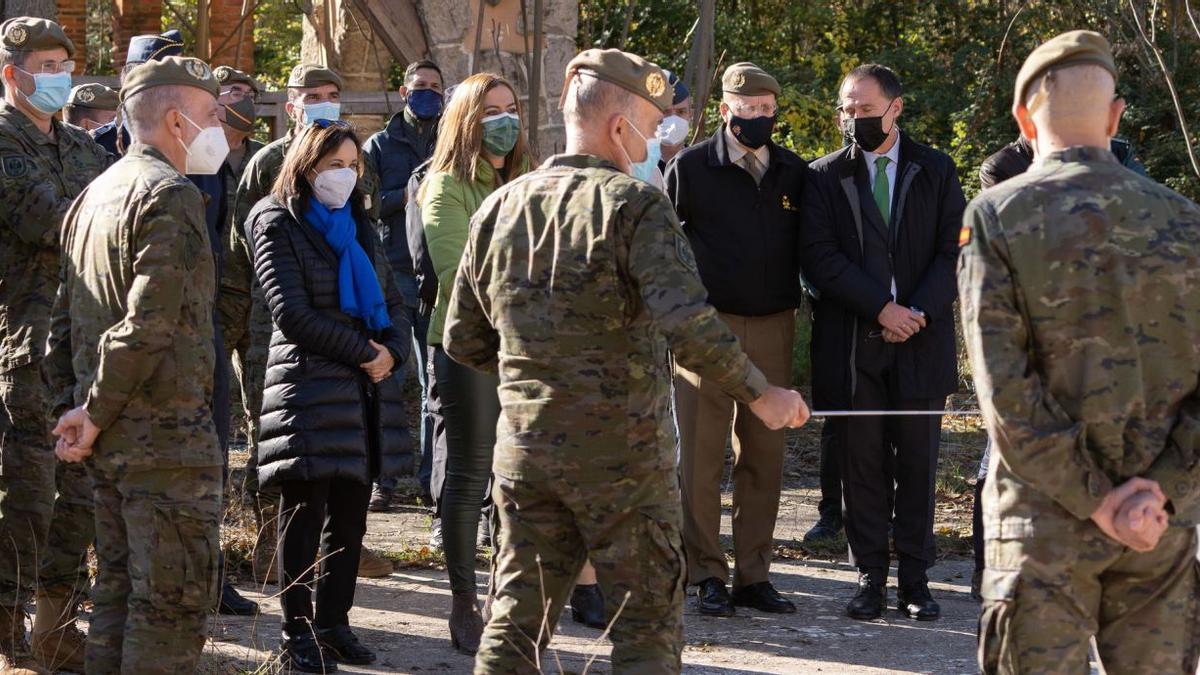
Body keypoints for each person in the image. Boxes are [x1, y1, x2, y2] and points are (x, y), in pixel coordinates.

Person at [444, 47, 810, 673]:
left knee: (514, 627)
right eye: (654, 122)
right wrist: (762, 393)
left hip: (528, 456)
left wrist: (544, 374)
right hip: (624, 464)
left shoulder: (498, 207)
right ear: (620, 126)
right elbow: (690, 325)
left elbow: (465, 341)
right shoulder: (636, 206)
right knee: (644, 631)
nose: (658, 139)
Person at [962, 30, 1200, 673]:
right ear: (1117, 116)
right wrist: (1162, 494)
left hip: (1043, 526)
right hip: (1158, 528)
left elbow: (1005, 393)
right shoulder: (1187, 223)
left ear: (1022, 120)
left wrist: (1095, 501)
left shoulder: (997, 216)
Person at [46, 55, 226, 675]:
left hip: (113, 439)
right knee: (170, 606)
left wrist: (75, 413)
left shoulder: (96, 192)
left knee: (118, 595)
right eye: (210, 114)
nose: (220, 127)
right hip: (164, 442)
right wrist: (90, 413)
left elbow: (62, 323)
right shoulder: (169, 194)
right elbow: (146, 325)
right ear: (177, 121)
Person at [800, 63, 964, 622]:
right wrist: (880, 308)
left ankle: (915, 581)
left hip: (922, 339)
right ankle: (869, 576)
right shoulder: (823, 176)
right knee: (861, 464)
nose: (853, 119)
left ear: (896, 107)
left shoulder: (937, 170)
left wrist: (914, 311)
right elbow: (820, 257)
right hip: (852, 343)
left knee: (917, 464)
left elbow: (953, 252)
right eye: (846, 109)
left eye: (865, 110)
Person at [219, 63, 395, 581]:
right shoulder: (270, 163)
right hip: (279, 320)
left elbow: (368, 237)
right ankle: (275, 547)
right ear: (292, 104)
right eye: (312, 94)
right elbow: (241, 247)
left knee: (349, 437)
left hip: (352, 318)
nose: (324, 101)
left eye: (332, 93)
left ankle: (343, 546)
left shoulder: (356, 160)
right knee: (279, 438)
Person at [249, 120, 411, 673]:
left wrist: (393, 350)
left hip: (364, 391)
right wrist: (366, 354)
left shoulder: (359, 221)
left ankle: (334, 624)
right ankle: (296, 633)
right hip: (307, 387)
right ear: (305, 165)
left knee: (350, 517)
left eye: (351, 166)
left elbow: (392, 298)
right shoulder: (275, 220)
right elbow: (291, 313)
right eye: (332, 166)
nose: (343, 177)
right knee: (304, 511)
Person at [664, 62, 806, 618]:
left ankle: (755, 575)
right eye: (750, 109)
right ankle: (705, 573)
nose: (761, 118)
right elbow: (670, 253)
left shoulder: (794, 172)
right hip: (707, 328)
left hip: (774, 323)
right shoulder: (692, 167)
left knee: (764, 455)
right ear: (727, 110)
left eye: (769, 109)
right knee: (699, 456)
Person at [0, 17, 109, 674]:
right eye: (43, 64)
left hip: (84, 345)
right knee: (27, 494)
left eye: (63, 63)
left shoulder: (83, 146)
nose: (57, 76)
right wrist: (95, 211)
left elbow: (111, 222)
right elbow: (50, 221)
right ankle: (8, 627)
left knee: (82, 493)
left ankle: (57, 624)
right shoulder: (3, 143)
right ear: (12, 73)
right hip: (25, 341)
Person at [418, 71, 531, 654]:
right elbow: (458, 271)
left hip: (527, 350)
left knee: (515, 479)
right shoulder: (446, 186)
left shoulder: (525, 180)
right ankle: (463, 601)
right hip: (468, 349)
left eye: (510, 108)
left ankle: (505, 596)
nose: (504, 120)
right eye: (491, 110)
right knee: (467, 476)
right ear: (466, 117)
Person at [363, 59, 444, 512]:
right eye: (420, 86)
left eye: (435, 86)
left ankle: (432, 479)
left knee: (437, 379)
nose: (427, 93)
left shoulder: (451, 140)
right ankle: (386, 480)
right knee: (393, 377)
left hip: (437, 271)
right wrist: (410, 194)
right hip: (394, 273)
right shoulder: (379, 144)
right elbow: (368, 203)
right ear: (402, 91)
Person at [91, 29, 184, 155]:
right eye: (170, 79)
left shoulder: (190, 142)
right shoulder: (99, 145)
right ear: (137, 82)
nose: (179, 88)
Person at [658, 69, 691, 166]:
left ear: (690, 115)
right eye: (665, 112)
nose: (673, 120)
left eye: (681, 112)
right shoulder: (633, 166)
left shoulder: (700, 165)